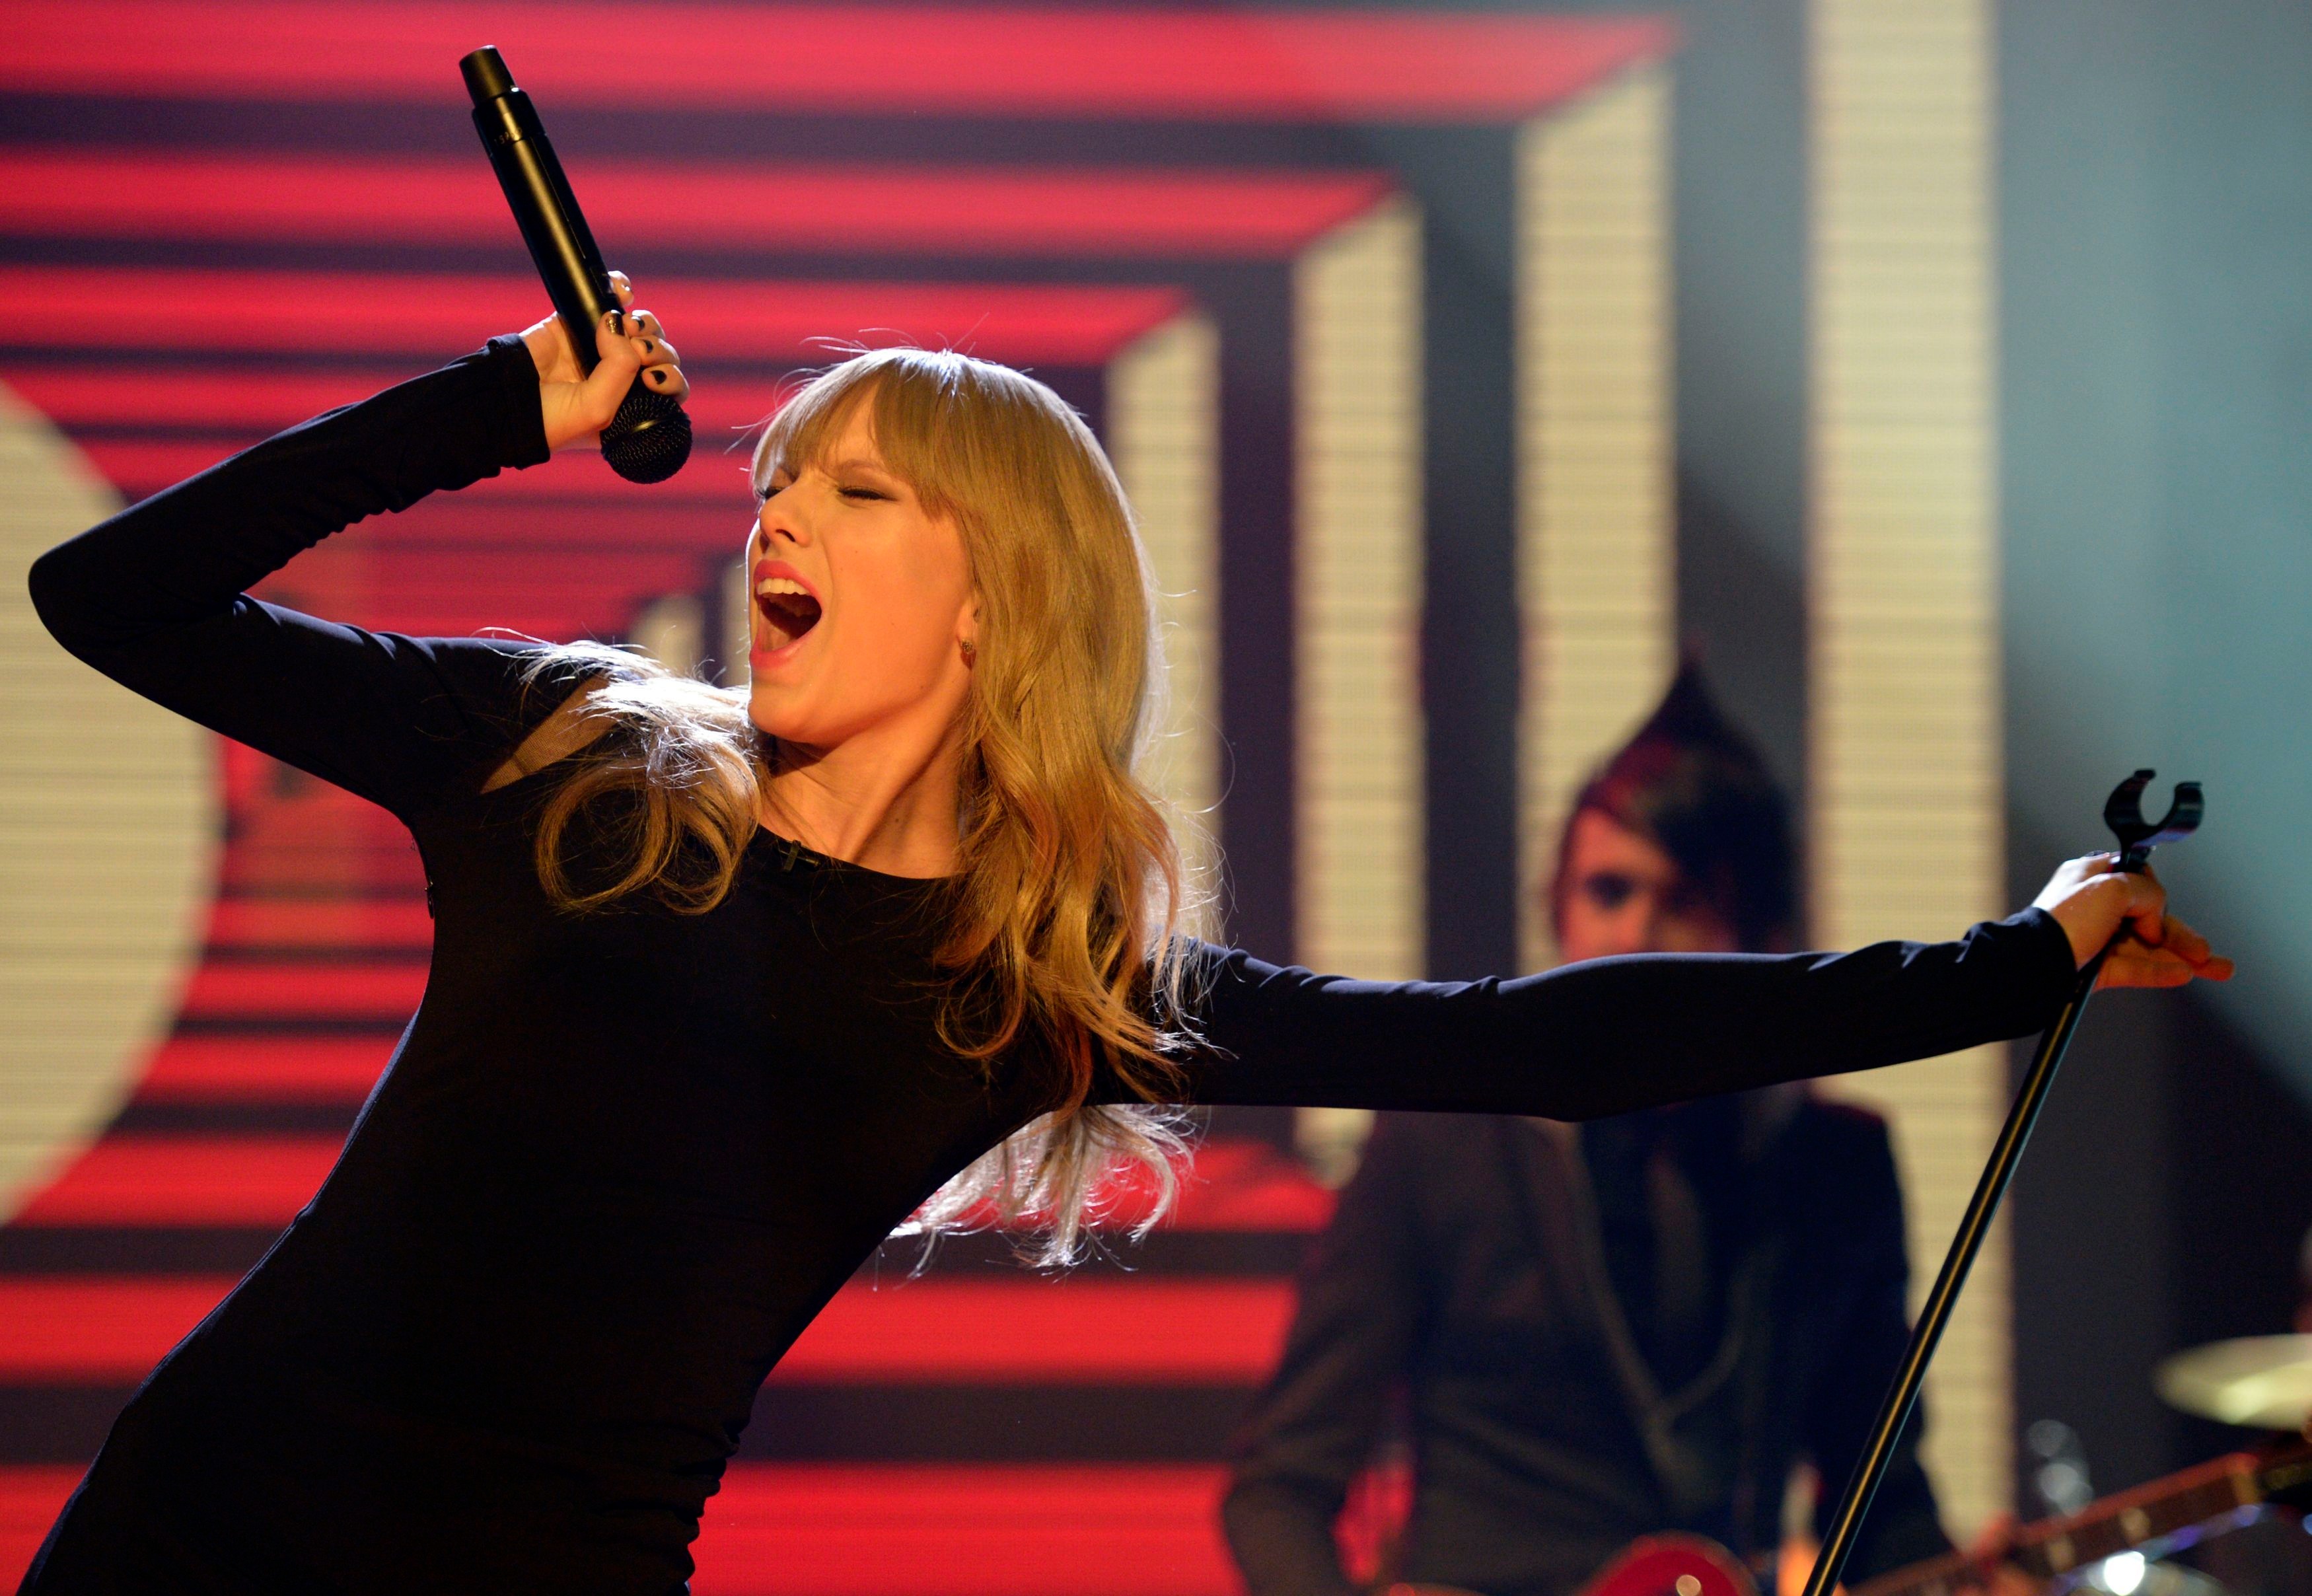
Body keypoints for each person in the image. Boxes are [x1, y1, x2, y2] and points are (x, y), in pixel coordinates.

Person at [18, 280, 2224, 1595]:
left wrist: (2017, 959)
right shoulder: (565, 757)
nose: (775, 512)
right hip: (215, 1517)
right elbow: (107, 596)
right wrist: (490, 410)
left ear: (996, 598)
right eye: (775, 478)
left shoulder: (1025, 988)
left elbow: (1531, 1042)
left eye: (853, 485)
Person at [1221, 670, 2051, 1596]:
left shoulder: (1834, 1163)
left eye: (1685, 900)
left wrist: (1967, 1581)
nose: (1637, 937)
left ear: (1765, 941)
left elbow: (1878, 1506)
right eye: (1608, 891)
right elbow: (1280, 1488)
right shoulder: (1441, 1144)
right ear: (1557, 909)